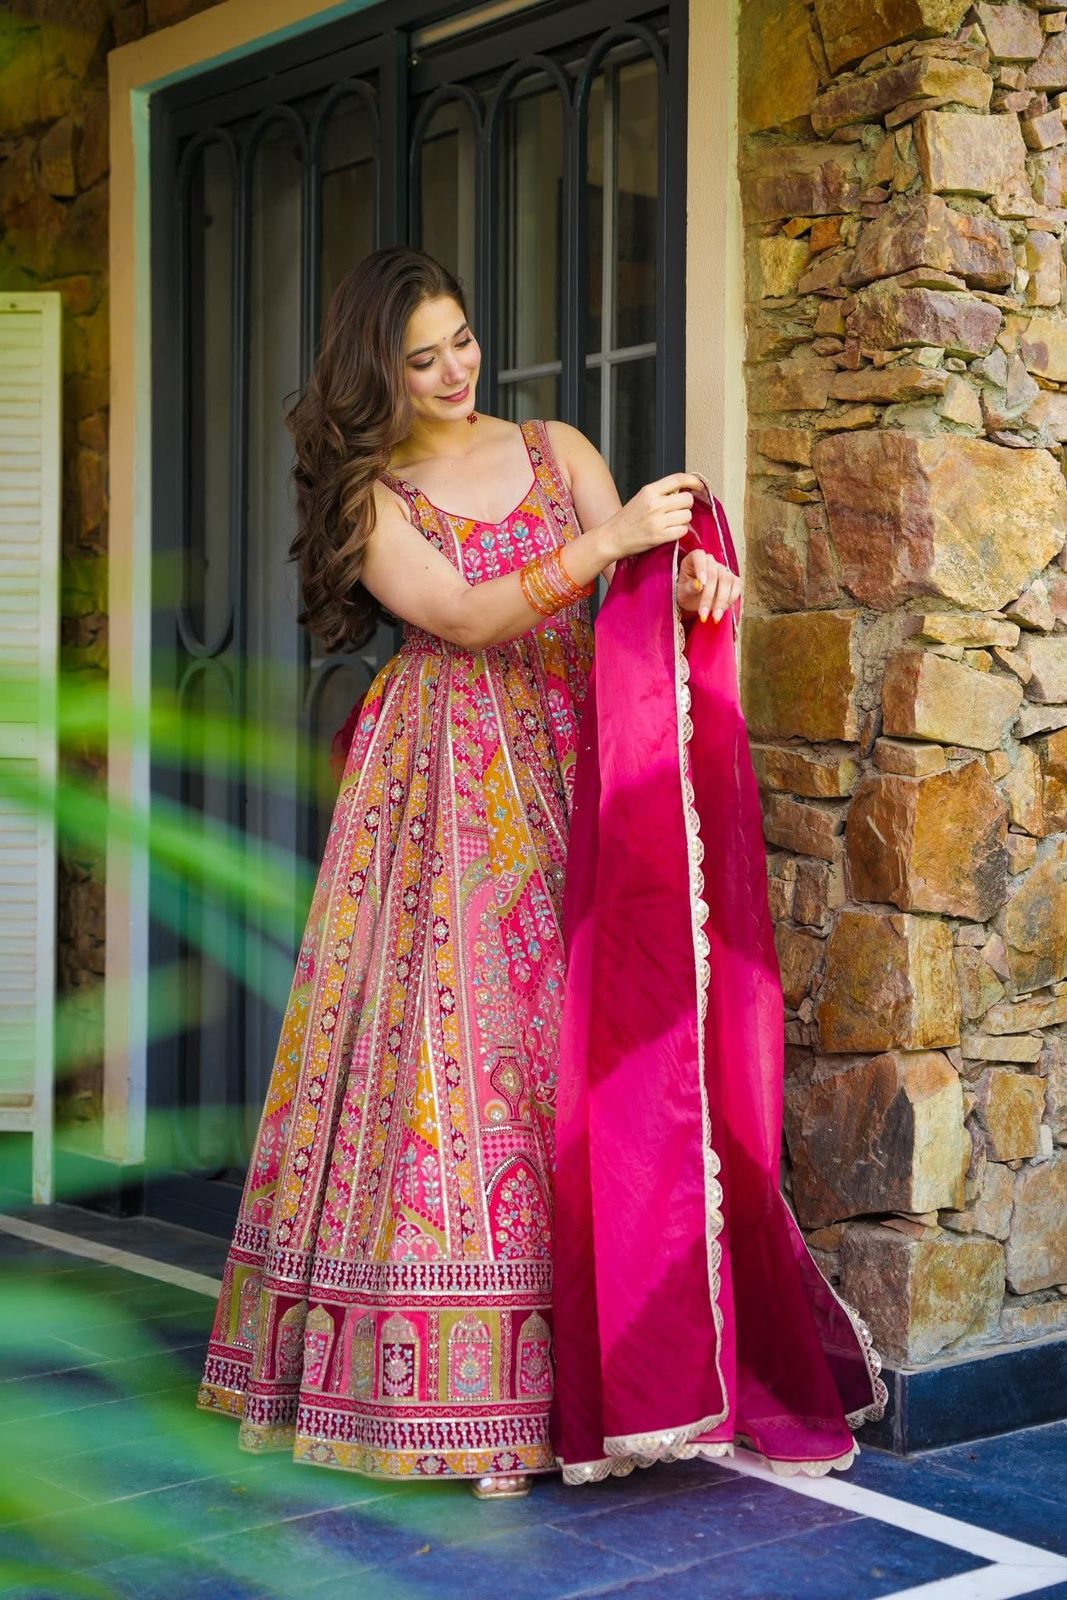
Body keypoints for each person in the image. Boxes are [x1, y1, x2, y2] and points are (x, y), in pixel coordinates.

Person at [196, 244, 738, 1498]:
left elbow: (626, 598)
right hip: (442, 795)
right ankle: (459, 1395)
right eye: (419, 354)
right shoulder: (367, 498)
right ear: (373, 370)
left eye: (461, 340)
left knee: (587, 1051)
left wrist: (687, 578)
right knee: (458, 1058)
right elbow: (466, 616)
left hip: (582, 767)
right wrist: (608, 540)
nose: (451, 370)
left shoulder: (555, 447)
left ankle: (605, 1377)